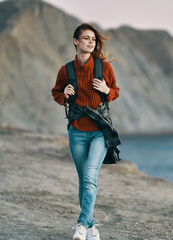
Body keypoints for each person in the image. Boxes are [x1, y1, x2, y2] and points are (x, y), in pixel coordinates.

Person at [51, 23, 120, 240]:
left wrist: (107, 90)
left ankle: (81, 224)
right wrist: (65, 93)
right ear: (76, 41)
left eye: (93, 39)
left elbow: (115, 92)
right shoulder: (66, 70)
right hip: (77, 131)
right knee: (83, 180)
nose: (91, 42)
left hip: (99, 131)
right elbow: (56, 93)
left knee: (90, 177)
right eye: (86, 38)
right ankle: (90, 227)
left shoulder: (104, 68)